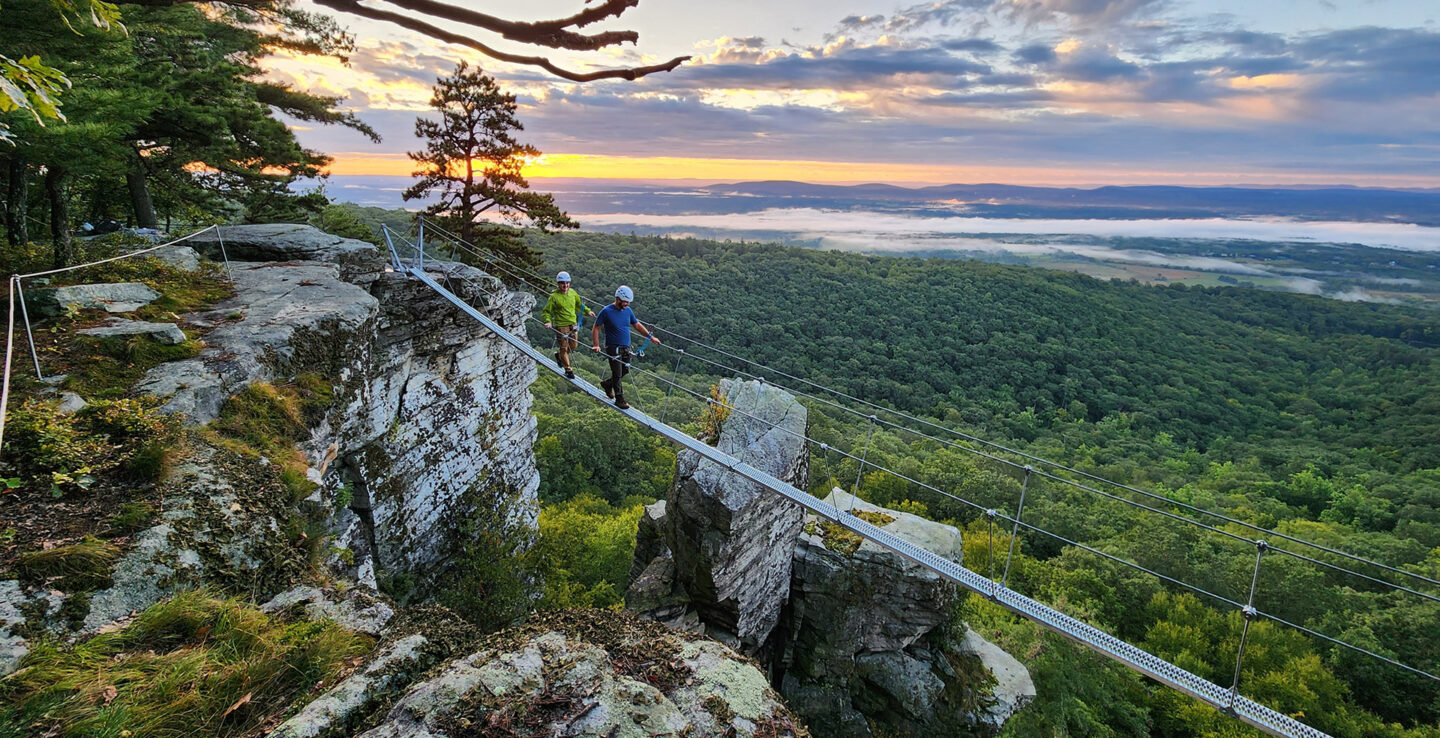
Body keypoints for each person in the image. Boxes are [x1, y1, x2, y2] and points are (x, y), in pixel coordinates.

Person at [591, 285, 659, 410]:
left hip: (626, 348)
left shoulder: (628, 311)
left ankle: (607, 384)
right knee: (617, 373)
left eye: (628, 302)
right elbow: (596, 327)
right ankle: (619, 399)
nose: (627, 304)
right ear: (618, 299)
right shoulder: (606, 311)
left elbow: (637, 325)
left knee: (625, 370)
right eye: (625, 301)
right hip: (613, 348)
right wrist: (596, 344)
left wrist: (651, 337)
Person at [541, 271, 593, 379]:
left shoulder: (573, 293)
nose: (565, 286)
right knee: (564, 348)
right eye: (562, 283)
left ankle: (559, 356)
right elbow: (546, 311)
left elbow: (579, 305)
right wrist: (548, 321)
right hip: (560, 325)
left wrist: (587, 311)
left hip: (572, 324)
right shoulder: (554, 297)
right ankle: (568, 369)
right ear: (558, 284)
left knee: (573, 346)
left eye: (567, 283)